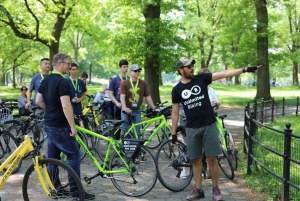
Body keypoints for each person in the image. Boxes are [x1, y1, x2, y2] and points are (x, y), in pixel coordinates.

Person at [171, 57, 261, 201]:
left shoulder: (201, 79)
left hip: (208, 125)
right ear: (181, 70)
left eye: (191, 66)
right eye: (188, 67)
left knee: (212, 158)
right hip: (192, 129)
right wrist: (173, 133)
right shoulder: (177, 90)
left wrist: (245, 69)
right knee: (195, 160)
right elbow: (175, 113)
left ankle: (216, 189)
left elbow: (224, 74)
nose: (192, 68)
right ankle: (198, 190)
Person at [36, 53, 95, 200]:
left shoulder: (45, 80)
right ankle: (76, 192)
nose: (70, 66)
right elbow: (66, 105)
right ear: (60, 64)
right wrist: (73, 126)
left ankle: (56, 188)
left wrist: (50, 110)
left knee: (53, 158)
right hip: (61, 126)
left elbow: (38, 101)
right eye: (68, 63)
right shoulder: (63, 82)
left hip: (48, 124)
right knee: (74, 155)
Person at [119, 64, 156, 138]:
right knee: (126, 133)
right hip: (126, 111)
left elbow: (148, 96)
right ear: (130, 72)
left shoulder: (143, 83)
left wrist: (154, 108)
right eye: (135, 71)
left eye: (138, 71)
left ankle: (135, 148)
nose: (137, 72)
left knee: (137, 134)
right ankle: (125, 148)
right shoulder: (125, 83)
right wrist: (124, 108)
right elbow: (122, 96)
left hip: (136, 111)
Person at [25, 58, 50, 140]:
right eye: (46, 63)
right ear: (40, 66)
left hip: (50, 108)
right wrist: (28, 102)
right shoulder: (36, 77)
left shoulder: (52, 77)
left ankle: (50, 149)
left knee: (50, 128)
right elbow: (29, 91)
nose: (48, 65)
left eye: (49, 64)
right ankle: (37, 145)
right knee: (36, 128)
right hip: (38, 107)